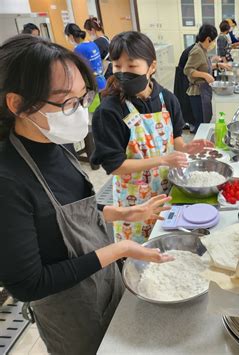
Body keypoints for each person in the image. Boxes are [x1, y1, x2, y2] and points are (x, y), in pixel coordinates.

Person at [0, 35, 174, 354]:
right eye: (67, 102)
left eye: (83, 98)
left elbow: (66, 214)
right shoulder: (8, 179)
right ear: (17, 104)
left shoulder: (55, 146)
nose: (81, 112)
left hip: (105, 282)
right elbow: (28, 283)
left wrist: (123, 213)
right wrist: (118, 249)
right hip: (71, 312)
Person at [92, 31, 213, 242]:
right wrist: (164, 160)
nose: (122, 72)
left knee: (166, 246)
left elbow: (175, 140)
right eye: (117, 66)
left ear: (152, 66)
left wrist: (187, 148)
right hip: (133, 202)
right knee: (140, 257)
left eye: (131, 66)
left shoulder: (167, 99)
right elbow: (116, 166)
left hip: (166, 190)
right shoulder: (110, 110)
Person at [184, 24, 231, 132]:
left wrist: (219, 65)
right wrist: (205, 75)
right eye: (213, 40)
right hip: (197, 93)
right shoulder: (197, 51)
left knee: (206, 119)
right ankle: (200, 145)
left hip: (204, 91)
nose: (213, 43)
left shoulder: (203, 50)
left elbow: (204, 66)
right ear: (208, 39)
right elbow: (187, 70)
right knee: (201, 124)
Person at [64, 23, 106, 91]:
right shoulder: (92, 43)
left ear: (71, 36)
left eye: (67, 37)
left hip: (93, 84)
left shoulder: (78, 49)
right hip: (102, 81)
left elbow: (77, 70)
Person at [174, 42, 197, 131]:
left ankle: (187, 122)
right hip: (183, 76)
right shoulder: (195, 50)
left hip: (183, 74)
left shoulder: (196, 47)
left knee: (185, 101)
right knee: (185, 101)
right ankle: (188, 124)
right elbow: (191, 69)